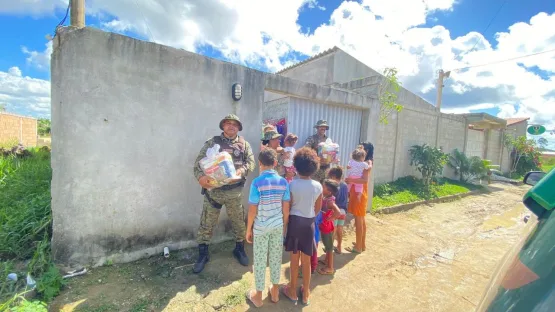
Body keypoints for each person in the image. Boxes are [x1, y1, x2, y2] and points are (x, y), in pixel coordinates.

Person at [192, 114, 256, 273]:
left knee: (239, 223)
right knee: (207, 223)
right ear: (223, 126)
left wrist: (241, 171)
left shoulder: (244, 145)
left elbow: (251, 162)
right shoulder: (212, 143)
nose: (231, 126)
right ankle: (203, 254)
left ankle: (239, 249)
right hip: (214, 193)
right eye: (228, 123)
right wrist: (201, 178)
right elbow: (198, 164)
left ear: (238, 128)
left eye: (234, 124)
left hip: (235, 193)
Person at [245, 149, 291, 308]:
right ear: (276, 163)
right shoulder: (284, 182)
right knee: (276, 257)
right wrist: (284, 226)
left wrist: (248, 229)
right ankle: (275, 291)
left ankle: (258, 295)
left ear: (259, 163)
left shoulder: (257, 182)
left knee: (259, 260)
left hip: (261, 227)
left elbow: (252, 210)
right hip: (278, 225)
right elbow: (286, 209)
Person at [281, 147, 322, 306]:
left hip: (294, 223)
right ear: (314, 167)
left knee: (294, 258)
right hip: (309, 223)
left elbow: (288, 206)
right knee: (306, 260)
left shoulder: (291, 185)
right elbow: (317, 208)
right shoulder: (318, 186)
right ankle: (306, 293)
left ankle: (292, 290)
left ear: (296, 166)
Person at [345, 142, 374, 254]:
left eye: (362, 148)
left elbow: (364, 180)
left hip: (360, 194)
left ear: (366, 151)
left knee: (358, 219)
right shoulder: (363, 162)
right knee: (361, 219)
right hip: (360, 193)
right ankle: (362, 244)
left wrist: (350, 180)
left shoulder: (365, 163)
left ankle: (358, 247)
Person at [317, 179, 341, 275]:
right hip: (325, 226)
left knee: (329, 247)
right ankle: (327, 261)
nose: (321, 188)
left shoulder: (329, 202)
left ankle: (330, 267)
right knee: (327, 246)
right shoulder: (326, 197)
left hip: (327, 227)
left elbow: (338, 212)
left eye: (323, 187)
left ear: (329, 191)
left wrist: (330, 219)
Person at [327, 167, 348, 254]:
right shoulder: (345, 185)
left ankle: (330, 250)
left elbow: (332, 200)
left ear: (333, 176)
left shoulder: (334, 186)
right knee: (340, 229)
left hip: (335, 211)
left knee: (333, 230)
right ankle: (339, 246)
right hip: (343, 211)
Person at [305, 120, 330, 184]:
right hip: (316, 167)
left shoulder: (328, 140)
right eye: (321, 126)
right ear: (317, 128)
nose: (323, 128)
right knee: (314, 186)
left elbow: (331, 152)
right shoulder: (311, 138)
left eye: (324, 127)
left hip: (326, 167)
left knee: (325, 186)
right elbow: (306, 150)